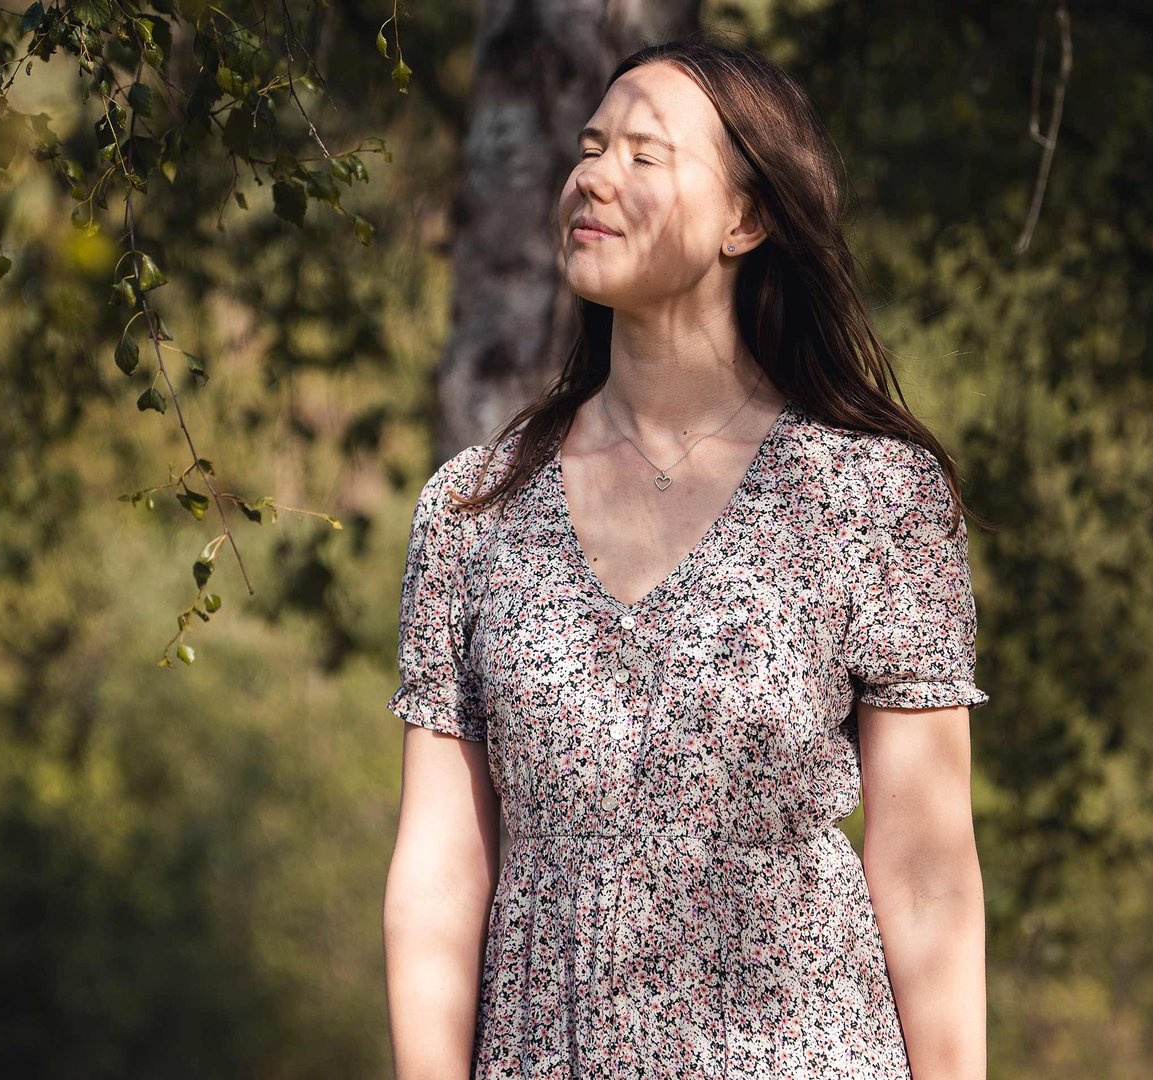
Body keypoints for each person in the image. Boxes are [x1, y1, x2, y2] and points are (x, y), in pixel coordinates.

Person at [383, 34, 991, 1080]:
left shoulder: (874, 499)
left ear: (745, 219)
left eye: (643, 154)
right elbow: (438, 876)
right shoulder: (474, 511)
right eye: (589, 146)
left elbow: (928, 878)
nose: (592, 177)